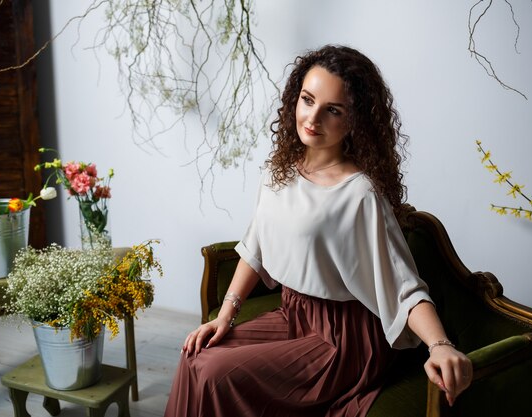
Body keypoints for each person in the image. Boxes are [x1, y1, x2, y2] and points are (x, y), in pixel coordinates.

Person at [164, 45, 472, 417]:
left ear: (354, 121)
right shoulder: (278, 170)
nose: (312, 118)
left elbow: (404, 287)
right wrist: (225, 315)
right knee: (194, 354)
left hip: (343, 340)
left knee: (213, 373)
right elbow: (254, 246)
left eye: (333, 110)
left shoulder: (360, 194)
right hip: (292, 315)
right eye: (307, 100)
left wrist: (440, 344)